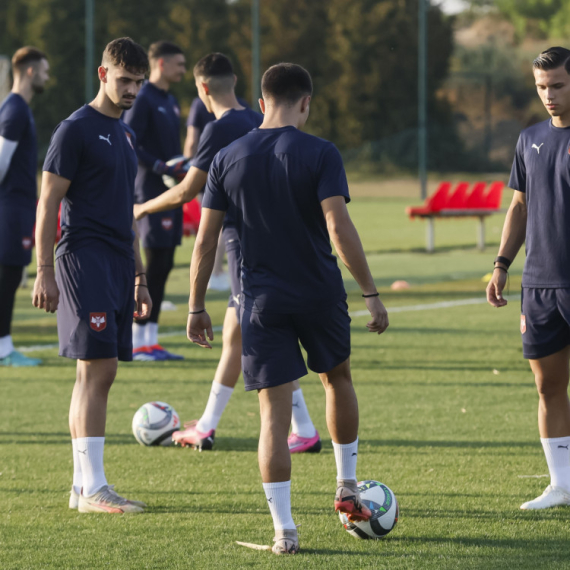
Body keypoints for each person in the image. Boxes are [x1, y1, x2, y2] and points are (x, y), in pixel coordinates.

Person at [186, 63, 389, 554]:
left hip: (259, 302)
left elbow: (205, 240)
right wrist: (370, 292)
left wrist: (196, 305)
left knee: (272, 417)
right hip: (319, 293)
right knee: (336, 379)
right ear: (306, 103)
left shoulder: (228, 156)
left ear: (260, 103)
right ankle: (346, 486)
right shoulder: (320, 151)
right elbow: (339, 228)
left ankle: (284, 532)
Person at [135, 53, 321, 454]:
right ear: (234, 81)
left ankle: (289, 428)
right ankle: (287, 427)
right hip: (271, 239)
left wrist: (141, 207)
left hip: (241, 243)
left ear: (202, 89)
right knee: (241, 337)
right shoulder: (258, 120)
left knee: (253, 340)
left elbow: (187, 192)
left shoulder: (218, 130)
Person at [32, 37, 151, 514]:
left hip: (120, 261)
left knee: (95, 374)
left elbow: (128, 212)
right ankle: (94, 488)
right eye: (125, 81)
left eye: (139, 84)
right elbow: (47, 204)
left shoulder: (125, 135)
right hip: (84, 259)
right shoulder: (74, 130)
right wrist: (44, 270)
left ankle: (83, 486)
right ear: (103, 75)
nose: (132, 91)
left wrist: (141, 276)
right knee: (98, 370)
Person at [487, 46, 570, 510]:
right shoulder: (530, 138)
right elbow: (518, 206)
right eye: (542, 87)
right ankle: (560, 486)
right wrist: (502, 264)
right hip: (539, 285)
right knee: (548, 385)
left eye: (557, 85)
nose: (549, 96)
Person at [123, 41, 187, 362]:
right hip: (148, 192)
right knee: (149, 265)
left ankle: (151, 339)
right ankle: (136, 339)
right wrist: (160, 166)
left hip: (170, 191)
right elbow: (130, 141)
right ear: (161, 64)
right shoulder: (144, 98)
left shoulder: (169, 100)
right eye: (179, 63)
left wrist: (179, 165)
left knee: (165, 264)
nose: (184, 70)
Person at [0, 47, 49, 367]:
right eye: (44, 70)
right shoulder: (15, 109)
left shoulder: (18, 107)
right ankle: (4, 348)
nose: (47, 76)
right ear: (30, 72)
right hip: (10, 208)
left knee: (11, 274)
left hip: (17, 206)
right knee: (8, 275)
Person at [184, 95, 250, 292]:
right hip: (239, 180)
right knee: (222, 227)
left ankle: (215, 272)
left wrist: (188, 170)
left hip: (206, 175)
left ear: (204, 86)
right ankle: (218, 271)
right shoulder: (248, 111)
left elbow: (191, 142)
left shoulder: (199, 105)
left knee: (213, 226)